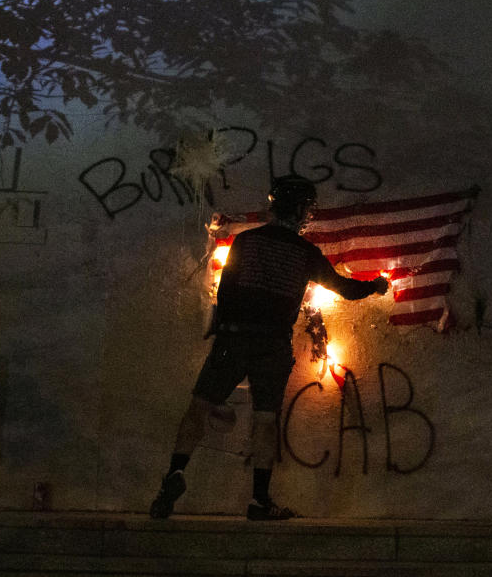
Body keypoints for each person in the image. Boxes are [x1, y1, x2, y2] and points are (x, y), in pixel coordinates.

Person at [149, 175, 389, 521]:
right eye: (308, 208)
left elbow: (227, 291)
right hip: (272, 344)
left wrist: (224, 330)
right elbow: (344, 289)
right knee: (265, 420)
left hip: (233, 337)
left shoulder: (246, 242)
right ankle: (260, 500)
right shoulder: (305, 253)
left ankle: (174, 474)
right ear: (300, 209)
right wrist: (376, 286)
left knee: (198, 408)